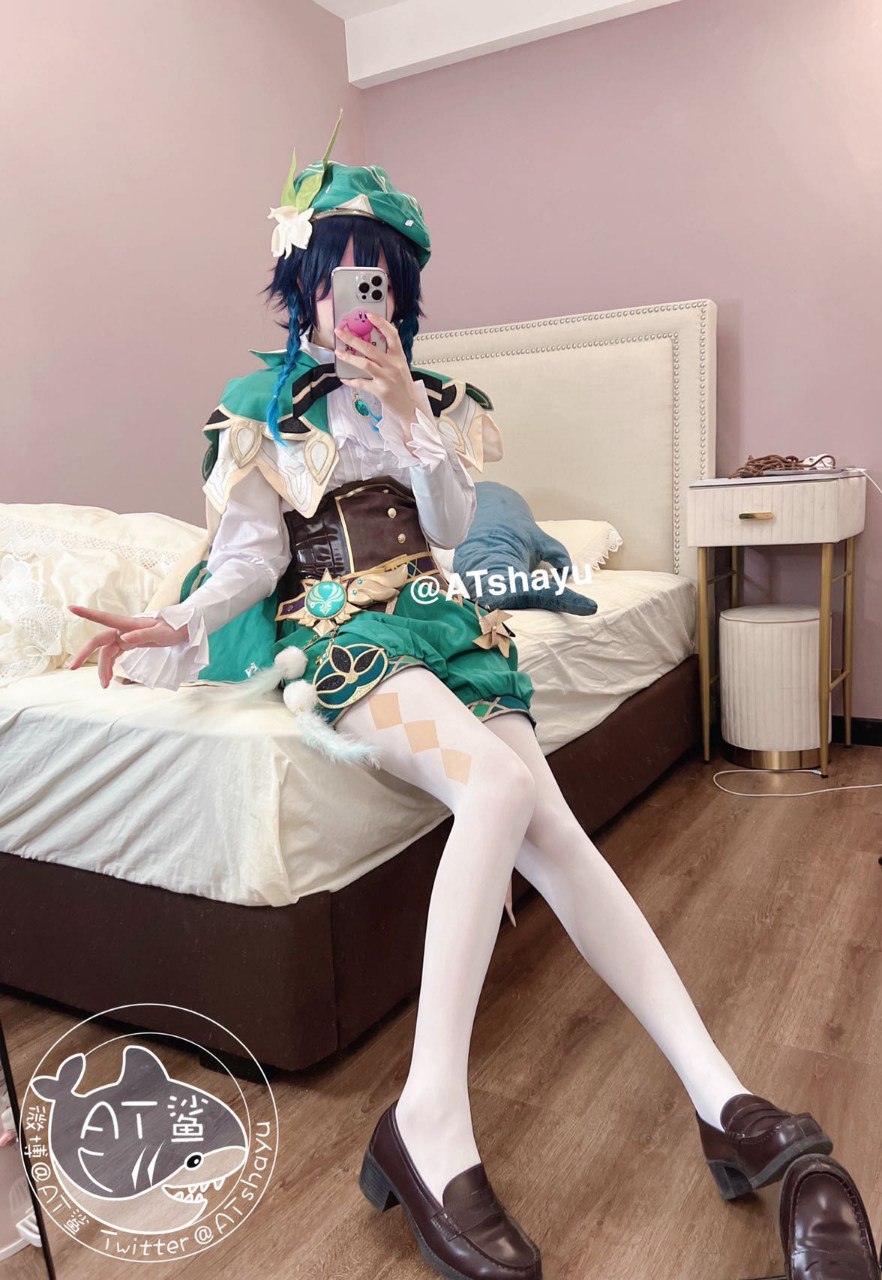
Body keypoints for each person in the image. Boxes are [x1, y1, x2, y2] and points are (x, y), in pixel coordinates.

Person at [68, 126, 832, 1280]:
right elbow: (248, 560)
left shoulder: (432, 401)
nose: (354, 296)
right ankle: (429, 1116)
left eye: (375, 277)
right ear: (302, 284)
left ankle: (721, 1096)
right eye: (336, 272)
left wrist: (411, 419)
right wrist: (174, 623)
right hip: (343, 629)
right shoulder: (262, 409)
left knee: (552, 827)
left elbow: (458, 529)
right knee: (499, 786)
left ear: (399, 293)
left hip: (444, 621)